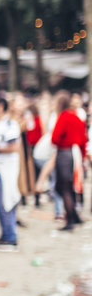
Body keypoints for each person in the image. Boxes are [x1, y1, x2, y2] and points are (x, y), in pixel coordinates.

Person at [39, 91, 87, 229]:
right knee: (70, 187)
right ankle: (74, 215)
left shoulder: (63, 117)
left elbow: (54, 138)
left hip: (64, 154)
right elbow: (83, 139)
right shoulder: (76, 117)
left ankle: (70, 219)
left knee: (64, 187)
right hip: (75, 154)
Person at [0, 94, 22, 249]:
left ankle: (10, 236)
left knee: (6, 201)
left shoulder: (11, 125)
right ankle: (5, 234)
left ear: (0, 106)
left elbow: (14, 147)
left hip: (6, 169)